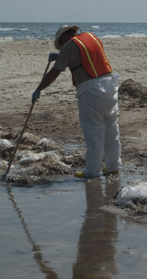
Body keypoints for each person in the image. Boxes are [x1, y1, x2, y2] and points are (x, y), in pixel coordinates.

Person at [32, 25, 122, 178]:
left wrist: (39, 88)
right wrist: (60, 57)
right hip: (110, 85)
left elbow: (54, 72)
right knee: (111, 128)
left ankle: (92, 171)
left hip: (91, 90)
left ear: (63, 38)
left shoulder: (69, 46)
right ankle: (113, 167)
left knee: (93, 131)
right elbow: (84, 57)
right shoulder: (92, 38)